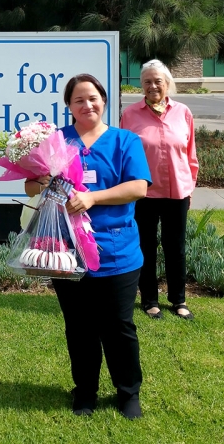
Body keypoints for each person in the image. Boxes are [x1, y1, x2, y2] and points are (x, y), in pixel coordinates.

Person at [25, 74, 151, 419]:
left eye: (93, 98)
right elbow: (29, 187)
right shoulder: (56, 141)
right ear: (69, 106)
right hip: (65, 252)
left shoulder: (125, 141)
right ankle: (85, 392)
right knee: (79, 326)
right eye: (79, 100)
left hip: (117, 252)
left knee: (118, 326)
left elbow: (139, 186)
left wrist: (92, 197)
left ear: (104, 100)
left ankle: (128, 392)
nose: (87, 105)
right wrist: (42, 181)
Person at [120, 59, 198, 320]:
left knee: (176, 247)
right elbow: (125, 155)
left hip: (177, 192)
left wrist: (190, 186)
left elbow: (190, 154)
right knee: (146, 246)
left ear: (167, 83)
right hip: (145, 193)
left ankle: (178, 300)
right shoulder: (130, 115)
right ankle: (150, 300)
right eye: (147, 82)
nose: (152, 86)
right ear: (141, 85)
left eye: (158, 81)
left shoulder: (183, 112)